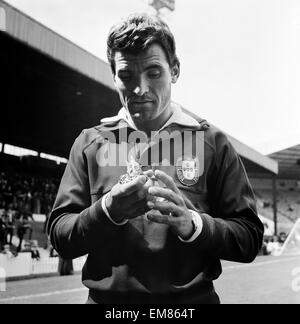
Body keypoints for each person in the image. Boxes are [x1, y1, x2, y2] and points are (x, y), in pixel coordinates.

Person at [47, 13, 263, 304]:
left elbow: (249, 238)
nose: (140, 89)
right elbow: (60, 236)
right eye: (126, 76)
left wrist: (194, 225)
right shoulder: (90, 142)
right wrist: (107, 210)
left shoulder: (212, 142)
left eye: (154, 72)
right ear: (113, 76)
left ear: (174, 70)